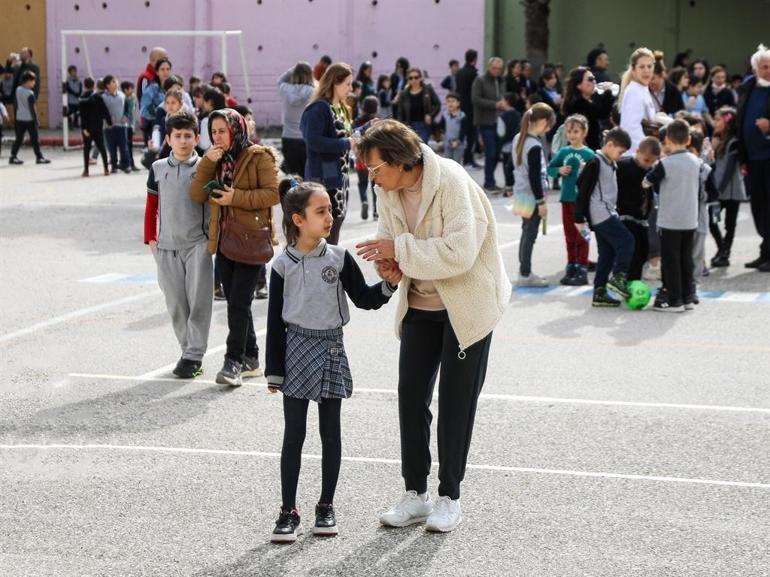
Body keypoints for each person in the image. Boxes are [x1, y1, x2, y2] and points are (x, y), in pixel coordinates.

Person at [354, 119, 510, 534]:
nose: (371, 176)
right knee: (410, 397)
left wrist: (399, 250)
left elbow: (460, 252)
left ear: (401, 161)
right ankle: (415, 495)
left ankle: (449, 498)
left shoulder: (453, 182)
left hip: (467, 308)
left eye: (375, 168)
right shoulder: (386, 190)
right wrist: (388, 266)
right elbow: (390, 240)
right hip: (420, 303)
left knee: (456, 404)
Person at [265, 178, 398, 543]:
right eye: (320, 211)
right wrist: (274, 371)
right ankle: (288, 511)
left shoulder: (339, 258)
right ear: (297, 219)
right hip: (295, 350)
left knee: (330, 434)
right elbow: (274, 323)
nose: (330, 216)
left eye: (330, 210)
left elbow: (364, 299)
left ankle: (326, 506)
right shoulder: (281, 266)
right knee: (294, 435)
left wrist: (387, 285)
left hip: (330, 348)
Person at [190, 108, 280, 385]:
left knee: (239, 304)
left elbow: (274, 193)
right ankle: (252, 357)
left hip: (251, 239)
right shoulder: (217, 160)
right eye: (213, 132)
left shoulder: (258, 156)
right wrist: (207, 162)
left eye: (222, 131)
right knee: (235, 302)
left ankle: (233, 362)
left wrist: (235, 198)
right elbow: (196, 194)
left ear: (236, 130)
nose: (218, 137)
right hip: (225, 239)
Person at [143, 111, 211, 378]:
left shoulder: (205, 167)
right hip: (166, 246)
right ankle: (187, 350)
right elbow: (151, 207)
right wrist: (151, 239)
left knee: (198, 302)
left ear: (196, 138)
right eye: (177, 136)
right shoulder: (158, 169)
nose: (183, 141)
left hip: (197, 245)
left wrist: (211, 242)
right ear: (169, 139)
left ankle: (194, 355)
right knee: (175, 304)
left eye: (188, 136)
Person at [642, 119, 701, 312]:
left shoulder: (665, 164)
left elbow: (646, 182)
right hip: (690, 219)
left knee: (670, 260)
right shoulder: (696, 162)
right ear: (689, 139)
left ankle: (674, 300)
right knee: (686, 259)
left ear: (667, 139)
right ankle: (688, 296)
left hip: (670, 220)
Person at [574, 128, 633, 307]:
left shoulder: (610, 162)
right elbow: (582, 188)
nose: (621, 155)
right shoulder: (595, 161)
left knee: (606, 253)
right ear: (609, 144)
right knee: (627, 241)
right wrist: (578, 217)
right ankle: (618, 278)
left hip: (607, 212)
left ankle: (599, 293)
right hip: (600, 213)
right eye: (620, 151)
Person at [300, 62, 355, 245]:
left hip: (340, 180)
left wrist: (366, 129)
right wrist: (346, 143)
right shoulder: (319, 108)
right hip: (324, 179)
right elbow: (313, 141)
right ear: (334, 83)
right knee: (324, 235)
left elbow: (344, 136)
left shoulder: (342, 108)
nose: (350, 88)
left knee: (334, 229)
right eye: (347, 84)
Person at [547, 114, 596, 285]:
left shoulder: (590, 154)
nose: (572, 135)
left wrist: (586, 171)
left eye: (576, 131)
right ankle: (572, 264)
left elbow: (597, 177)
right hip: (566, 199)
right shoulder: (564, 152)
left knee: (582, 234)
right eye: (569, 131)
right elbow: (550, 168)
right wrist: (559, 170)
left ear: (584, 132)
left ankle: (582, 266)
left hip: (582, 202)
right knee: (569, 234)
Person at [513, 102, 555, 287]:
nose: (548, 129)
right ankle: (525, 273)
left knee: (526, 232)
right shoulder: (534, 145)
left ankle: (524, 270)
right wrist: (541, 201)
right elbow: (535, 176)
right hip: (532, 195)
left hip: (521, 193)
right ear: (543, 121)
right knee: (530, 234)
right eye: (549, 125)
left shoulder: (519, 138)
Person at [737, 44, 770, 271]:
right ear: (755, 68)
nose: (769, 70)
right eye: (765, 66)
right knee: (757, 205)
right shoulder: (747, 87)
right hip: (752, 157)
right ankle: (765, 250)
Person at [616, 136, 661, 281]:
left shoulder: (651, 171)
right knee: (631, 252)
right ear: (637, 151)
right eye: (646, 160)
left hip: (642, 218)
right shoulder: (623, 166)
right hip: (625, 216)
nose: (648, 165)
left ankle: (634, 280)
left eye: (652, 162)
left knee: (644, 251)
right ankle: (626, 281)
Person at [709, 106, 746, 268]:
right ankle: (721, 249)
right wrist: (712, 149)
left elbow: (729, 170)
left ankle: (725, 253)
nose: (715, 123)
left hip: (731, 191)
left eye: (718, 120)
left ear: (727, 123)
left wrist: (718, 190)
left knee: (730, 224)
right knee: (712, 220)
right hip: (718, 190)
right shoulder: (716, 140)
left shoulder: (734, 143)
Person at [472, 57, 506, 193]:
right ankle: (489, 182)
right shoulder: (480, 80)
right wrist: (495, 104)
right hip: (486, 121)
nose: (496, 71)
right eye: (494, 68)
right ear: (489, 67)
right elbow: (475, 99)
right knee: (490, 152)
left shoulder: (501, 81)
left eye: (499, 69)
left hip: (500, 121)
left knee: (497, 153)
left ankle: (491, 180)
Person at [562, 66, 615, 151]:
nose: (594, 82)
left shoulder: (586, 100)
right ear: (579, 85)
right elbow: (602, 112)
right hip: (584, 149)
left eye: (594, 79)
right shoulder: (578, 103)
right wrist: (608, 92)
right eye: (590, 79)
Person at [278, 62, 315, 175]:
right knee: (307, 175)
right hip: (306, 137)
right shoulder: (313, 91)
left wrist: (294, 69)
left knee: (293, 176)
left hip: (288, 137)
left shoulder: (284, 88)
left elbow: (280, 80)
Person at [619, 47, 657, 155]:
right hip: (636, 155)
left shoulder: (642, 89)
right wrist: (646, 152)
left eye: (649, 66)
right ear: (634, 70)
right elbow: (632, 128)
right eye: (642, 67)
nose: (646, 70)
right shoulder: (634, 91)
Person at [9, 71, 49, 165]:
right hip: (29, 119)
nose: (34, 83)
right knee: (35, 139)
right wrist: (36, 120)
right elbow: (32, 108)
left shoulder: (18, 90)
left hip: (19, 118)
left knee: (19, 138)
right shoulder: (30, 93)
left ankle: (13, 156)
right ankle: (39, 157)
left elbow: (16, 103)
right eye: (33, 81)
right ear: (28, 81)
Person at [394, 67, 440, 143]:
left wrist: (430, 115)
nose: (414, 80)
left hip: (424, 125)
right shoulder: (404, 94)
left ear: (420, 78)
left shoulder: (427, 90)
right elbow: (400, 113)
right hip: (409, 125)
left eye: (416, 77)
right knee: (412, 149)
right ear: (407, 80)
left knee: (421, 146)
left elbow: (438, 105)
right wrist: (401, 128)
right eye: (410, 78)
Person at [78, 77, 110, 177]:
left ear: (84, 86)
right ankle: (106, 169)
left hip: (87, 128)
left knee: (86, 149)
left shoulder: (82, 98)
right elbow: (105, 110)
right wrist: (109, 121)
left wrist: (83, 129)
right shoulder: (98, 97)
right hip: (98, 127)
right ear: (94, 85)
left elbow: (82, 115)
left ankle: (86, 170)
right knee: (102, 147)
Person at [136, 47, 168, 145]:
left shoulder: (165, 79)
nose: (165, 61)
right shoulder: (146, 77)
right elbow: (143, 100)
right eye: (163, 58)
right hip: (151, 121)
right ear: (153, 60)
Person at [354, 95, 379, 220]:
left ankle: (364, 200)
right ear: (376, 108)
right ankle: (376, 211)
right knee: (376, 184)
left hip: (361, 158)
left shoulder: (358, 121)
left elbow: (354, 134)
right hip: (374, 158)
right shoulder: (376, 122)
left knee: (362, 183)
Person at [456, 49, 480, 167]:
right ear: (475, 59)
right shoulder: (474, 74)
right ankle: (468, 158)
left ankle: (459, 158)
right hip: (471, 108)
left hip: (460, 106)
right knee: (471, 135)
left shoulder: (459, 72)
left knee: (461, 133)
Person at [101, 75, 129, 174]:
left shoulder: (122, 95)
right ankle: (114, 165)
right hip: (109, 126)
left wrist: (126, 115)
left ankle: (125, 165)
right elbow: (102, 111)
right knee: (111, 147)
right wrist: (107, 119)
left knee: (123, 146)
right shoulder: (103, 97)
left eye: (116, 81)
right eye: (113, 81)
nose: (116, 83)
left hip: (122, 125)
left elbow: (127, 107)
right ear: (107, 85)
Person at [140, 58, 173, 143]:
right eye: (162, 69)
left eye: (168, 69)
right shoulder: (152, 89)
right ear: (157, 72)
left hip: (174, 127)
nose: (165, 72)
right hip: (157, 128)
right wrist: (158, 113)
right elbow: (143, 110)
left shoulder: (175, 88)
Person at [498, 92, 521, 195]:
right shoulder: (518, 114)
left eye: (502, 100)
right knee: (515, 166)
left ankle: (508, 187)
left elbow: (501, 133)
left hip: (506, 146)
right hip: (517, 144)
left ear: (506, 102)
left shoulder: (502, 116)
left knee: (506, 167)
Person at [436, 91, 467, 165]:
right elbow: (440, 127)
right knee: (448, 164)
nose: (450, 103)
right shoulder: (445, 115)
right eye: (448, 101)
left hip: (458, 144)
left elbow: (463, 131)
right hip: (447, 143)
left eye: (453, 101)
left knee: (457, 164)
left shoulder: (462, 116)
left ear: (458, 103)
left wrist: (458, 141)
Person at [649, 51, 684, 116]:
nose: (649, 82)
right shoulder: (643, 90)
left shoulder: (674, 91)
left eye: (653, 78)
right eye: (647, 78)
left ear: (662, 75)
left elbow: (681, 111)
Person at [121, 80, 139, 171]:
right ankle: (128, 164)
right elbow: (129, 111)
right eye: (131, 89)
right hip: (126, 126)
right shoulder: (125, 99)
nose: (132, 91)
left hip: (130, 125)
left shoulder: (130, 99)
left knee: (129, 146)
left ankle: (130, 164)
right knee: (127, 146)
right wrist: (133, 100)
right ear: (125, 90)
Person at [65, 65, 82, 129]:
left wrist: (79, 93)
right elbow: (68, 88)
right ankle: (70, 124)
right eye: (72, 71)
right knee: (71, 112)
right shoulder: (68, 80)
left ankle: (76, 123)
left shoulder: (78, 80)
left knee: (77, 112)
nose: (74, 72)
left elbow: (80, 87)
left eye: (75, 71)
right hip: (71, 99)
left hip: (77, 99)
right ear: (69, 72)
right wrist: (74, 93)